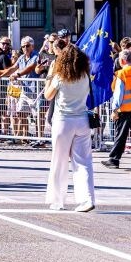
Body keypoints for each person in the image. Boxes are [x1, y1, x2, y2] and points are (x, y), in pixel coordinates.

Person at [42, 44, 96, 212]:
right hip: (82, 120)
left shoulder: (60, 77)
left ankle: (57, 201)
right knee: (84, 162)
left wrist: (50, 75)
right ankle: (87, 199)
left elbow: (48, 95)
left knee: (59, 161)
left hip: (63, 121)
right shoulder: (85, 76)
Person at [102, 49, 131, 171]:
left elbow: (119, 94)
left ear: (122, 61)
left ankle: (114, 160)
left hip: (125, 109)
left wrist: (114, 110)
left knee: (121, 136)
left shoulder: (121, 74)